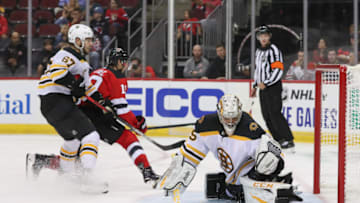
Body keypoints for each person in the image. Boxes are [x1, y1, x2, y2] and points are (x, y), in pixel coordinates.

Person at [27, 48, 159, 184]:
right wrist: (137, 124)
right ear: (118, 62)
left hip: (77, 112)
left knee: (76, 155)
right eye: (124, 62)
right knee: (128, 138)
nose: (125, 65)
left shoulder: (96, 72)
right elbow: (121, 110)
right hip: (95, 115)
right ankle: (147, 172)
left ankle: (41, 161)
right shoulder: (116, 77)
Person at [157, 94, 301, 202]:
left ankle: (271, 183)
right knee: (182, 165)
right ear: (219, 114)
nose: (231, 122)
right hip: (232, 184)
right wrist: (180, 170)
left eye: (234, 118)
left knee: (267, 157)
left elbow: (276, 155)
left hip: (252, 179)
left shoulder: (250, 130)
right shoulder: (206, 127)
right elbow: (188, 157)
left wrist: (268, 166)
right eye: (227, 118)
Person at [35, 24, 107, 193]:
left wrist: (105, 106)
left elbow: (88, 92)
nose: (91, 44)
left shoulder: (82, 63)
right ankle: (86, 177)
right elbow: (57, 74)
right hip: (57, 100)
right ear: (77, 41)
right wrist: (75, 86)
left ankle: (67, 179)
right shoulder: (67, 54)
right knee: (91, 136)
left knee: (72, 141)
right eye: (88, 40)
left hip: (51, 105)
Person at [250, 25, 294, 149]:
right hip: (262, 88)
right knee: (266, 115)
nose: (263, 38)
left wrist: (267, 82)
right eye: (261, 36)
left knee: (275, 113)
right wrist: (255, 85)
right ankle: (278, 139)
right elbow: (258, 70)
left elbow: (278, 69)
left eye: (265, 35)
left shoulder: (274, 50)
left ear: (269, 37)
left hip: (273, 87)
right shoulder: (258, 51)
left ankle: (288, 138)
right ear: (258, 38)